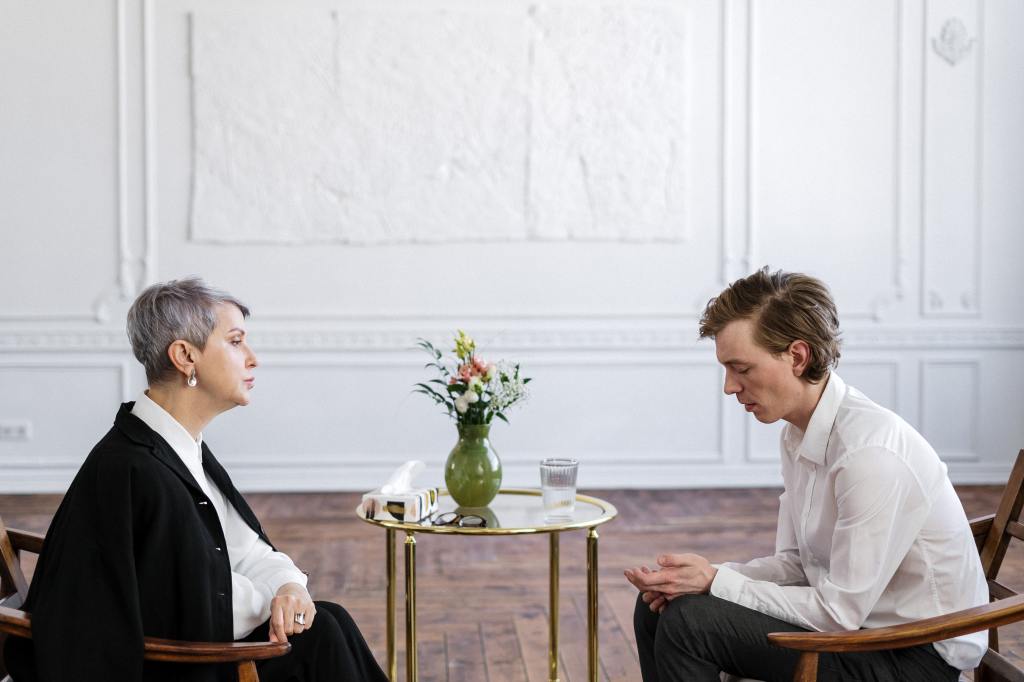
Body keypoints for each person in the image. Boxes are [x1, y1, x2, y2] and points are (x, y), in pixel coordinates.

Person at [4, 278, 387, 682]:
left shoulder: (174, 446)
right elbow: (200, 602)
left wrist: (289, 586)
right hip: (172, 666)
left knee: (328, 622)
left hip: (198, 642)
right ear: (186, 356)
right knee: (323, 632)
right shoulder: (137, 470)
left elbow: (242, 548)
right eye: (236, 342)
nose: (253, 358)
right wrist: (278, 601)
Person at [625, 267, 989, 681]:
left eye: (741, 368)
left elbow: (839, 614)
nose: (729, 386)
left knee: (689, 625)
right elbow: (799, 564)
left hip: (913, 654)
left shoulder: (870, 454)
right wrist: (702, 578)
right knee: (660, 605)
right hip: (862, 633)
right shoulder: (798, 436)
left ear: (797, 357)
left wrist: (717, 583)